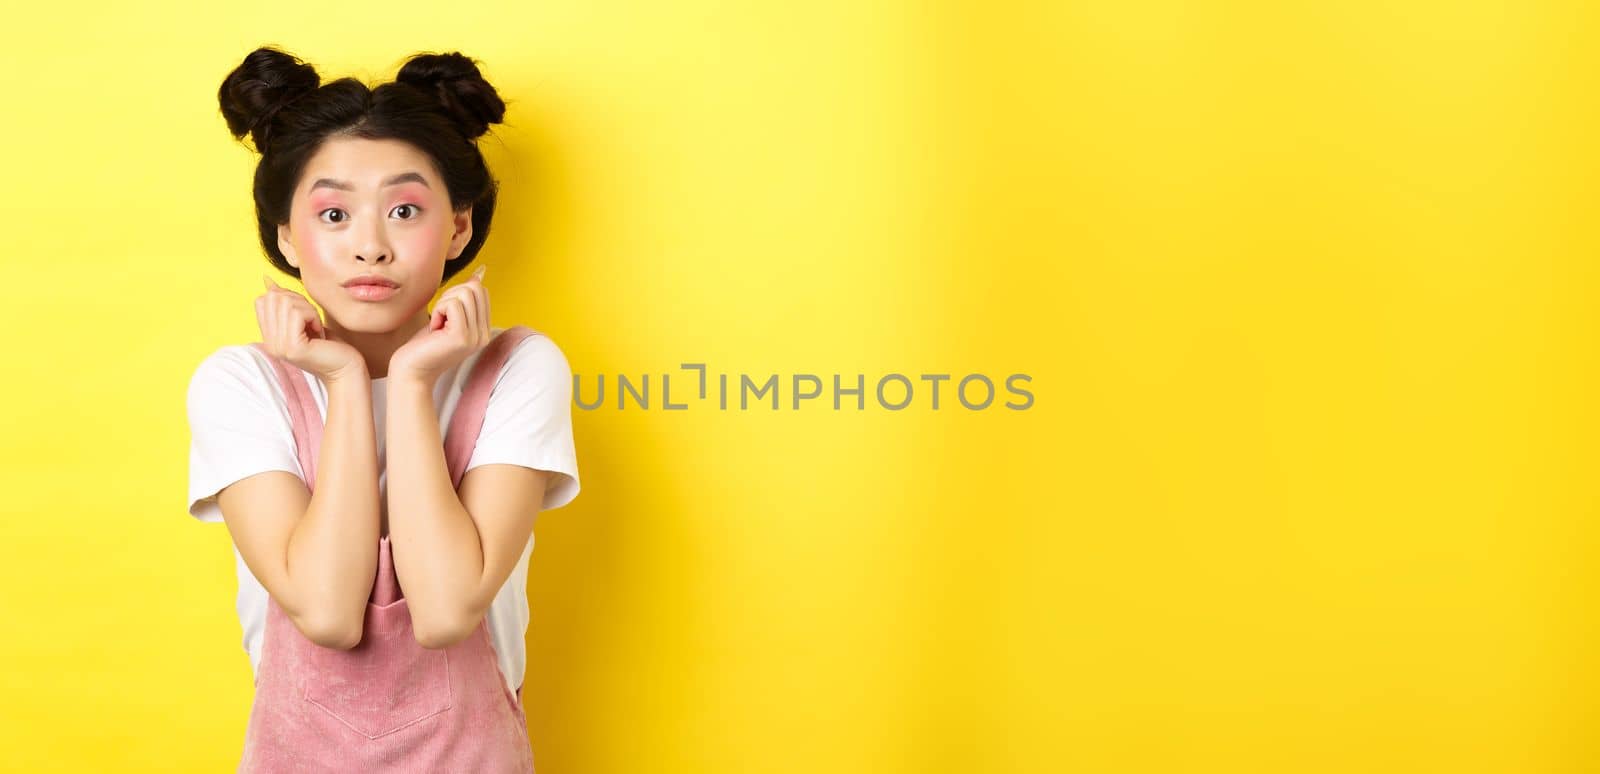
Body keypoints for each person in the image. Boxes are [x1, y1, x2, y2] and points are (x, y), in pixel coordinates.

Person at [185, 46, 579, 771]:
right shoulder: (240, 383)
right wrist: (339, 381)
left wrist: (409, 382)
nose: (370, 247)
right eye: (333, 213)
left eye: (404, 210)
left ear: (459, 228)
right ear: (285, 237)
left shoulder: (520, 368)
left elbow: (447, 609)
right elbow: (328, 612)